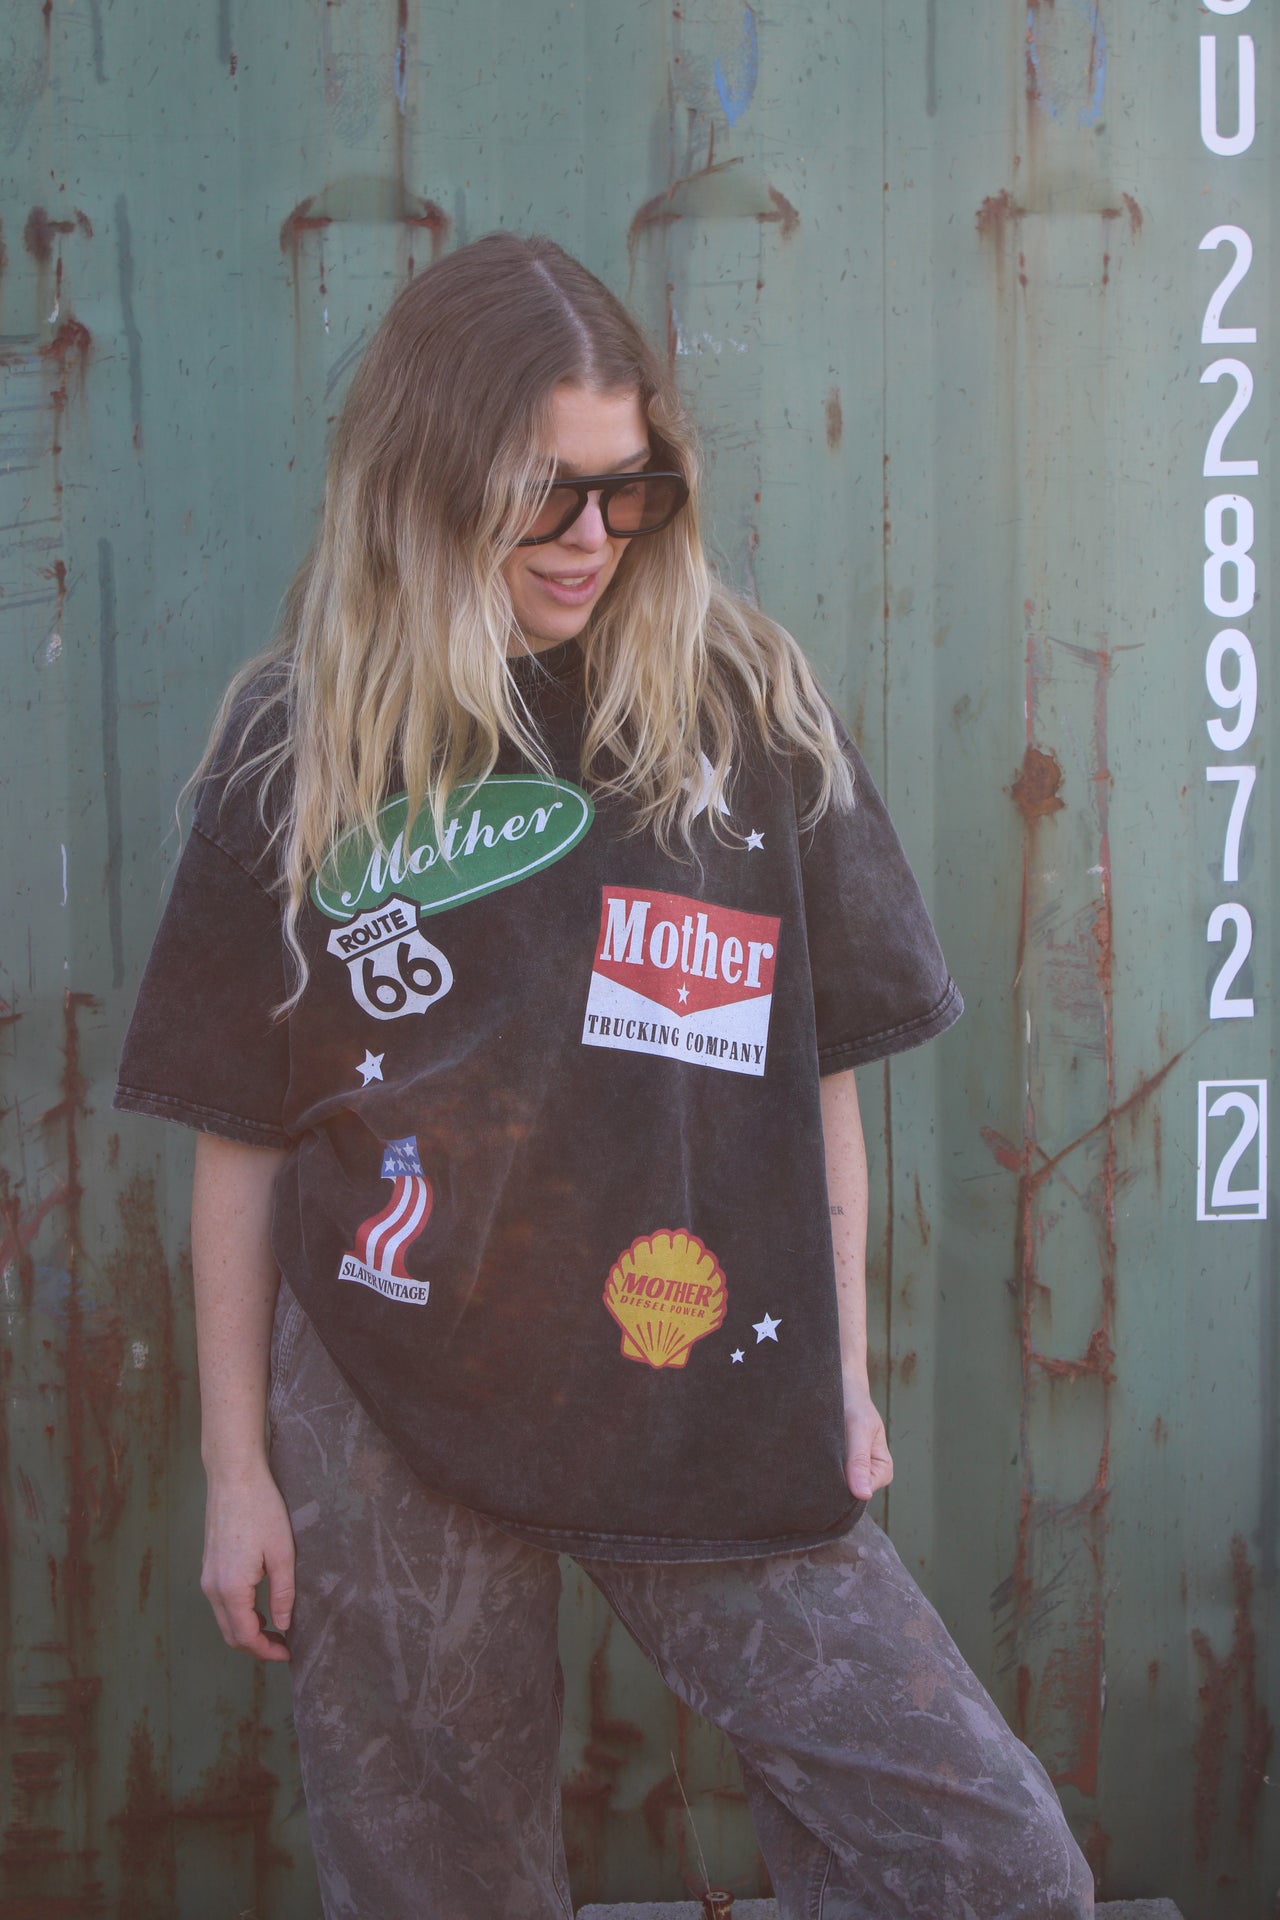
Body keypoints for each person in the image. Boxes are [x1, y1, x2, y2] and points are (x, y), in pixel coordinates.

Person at [115, 233, 1093, 1919]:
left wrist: (840, 1378)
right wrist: (237, 1474)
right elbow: (244, 1138)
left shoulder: (746, 715)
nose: (590, 538)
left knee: (986, 1862)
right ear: (423, 487)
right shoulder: (301, 749)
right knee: (438, 1885)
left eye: (627, 490)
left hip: (691, 1353)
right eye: (542, 496)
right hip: (386, 1387)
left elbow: (821, 1075)